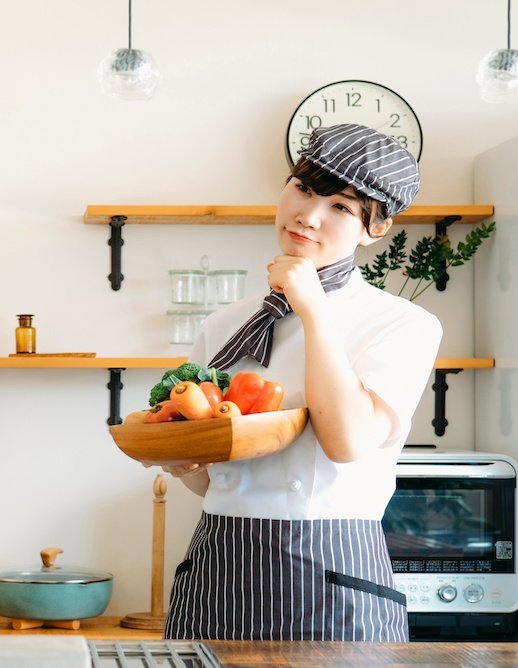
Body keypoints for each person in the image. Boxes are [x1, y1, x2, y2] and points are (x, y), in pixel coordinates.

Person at [162, 123, 442, 642]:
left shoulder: (403, 325)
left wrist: (311, 304)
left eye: (341, 206)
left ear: (374, 229)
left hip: (332, 577)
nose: (307, 215)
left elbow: (347, 442)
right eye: (305, 188)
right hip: (217, 567)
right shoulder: (225, 324)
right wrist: (183, 463)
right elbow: (214, 481)